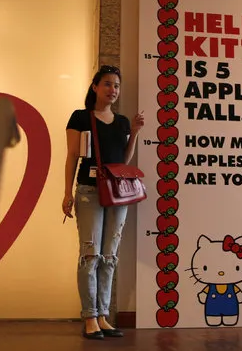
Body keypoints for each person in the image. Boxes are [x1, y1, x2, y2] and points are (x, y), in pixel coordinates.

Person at [63, 65, 144, 340]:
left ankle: (103, 316)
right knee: (90, 255)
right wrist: (67, 193)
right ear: (95, 86)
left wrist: (134, 132)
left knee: (109, 256)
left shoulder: (121, 122)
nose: (113, 90)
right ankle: (89, 318)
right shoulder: (79, 117)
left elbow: (124, 161)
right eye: (108, 84)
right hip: (88, 189)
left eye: (117, 86)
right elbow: (72, 156)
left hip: (118, 191)